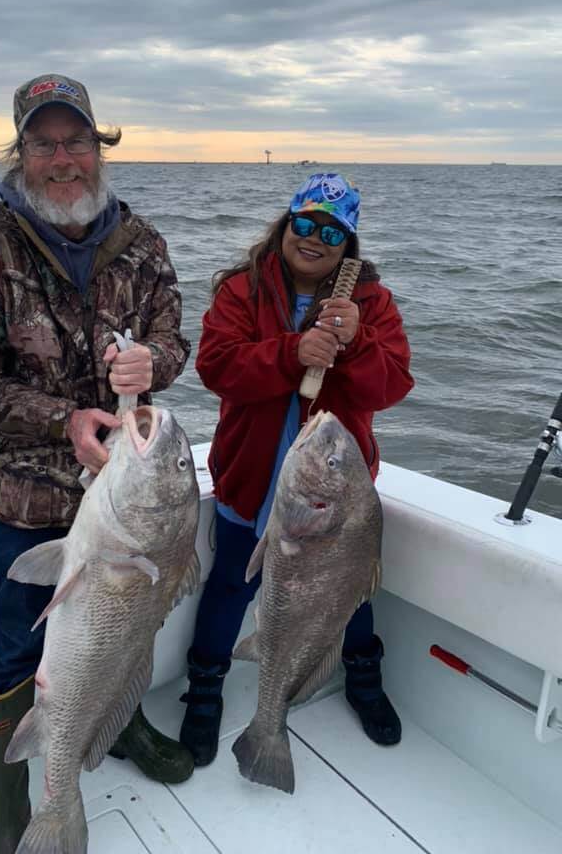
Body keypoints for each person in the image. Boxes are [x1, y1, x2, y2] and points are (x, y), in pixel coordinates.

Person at [0, 74, 194, 854]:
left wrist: (154, 359)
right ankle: (13, 812)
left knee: (128, 634)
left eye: (77, 141)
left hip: (132, 495)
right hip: (32, 500)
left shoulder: (141, 244)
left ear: (98, 147)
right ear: (22, 153)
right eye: (44, 144)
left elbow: (179, 340)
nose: (64, 159)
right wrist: (62, 419)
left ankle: (123, 723)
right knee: (17, 649)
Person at [179, 172, 414, 766]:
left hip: (335, 495)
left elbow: (391, 385)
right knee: (231, 584)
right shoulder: (241, 290)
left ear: (348, 242)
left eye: (332, 231)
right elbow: (216, 367)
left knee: (350, 595)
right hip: (252, 480)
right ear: (285, 225)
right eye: (304, 224)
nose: (314, 238)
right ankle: (203, 692)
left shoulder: (372, 302)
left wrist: (356, 343)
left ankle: (363, 678)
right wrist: (291, 352)